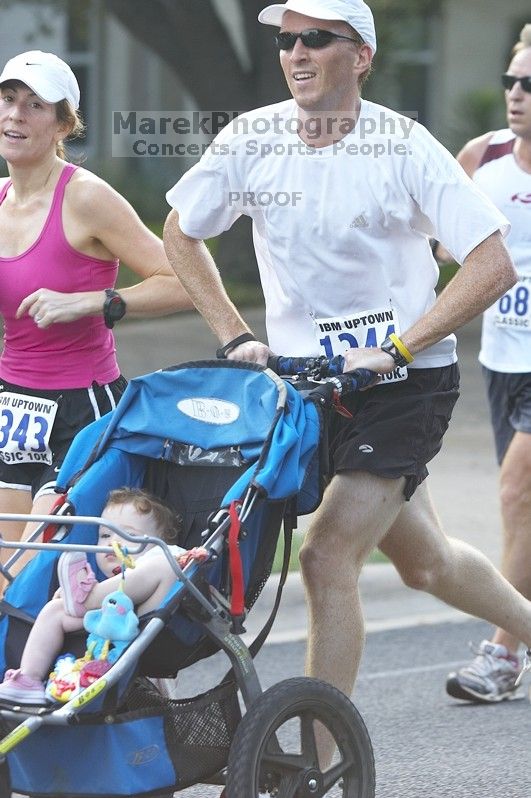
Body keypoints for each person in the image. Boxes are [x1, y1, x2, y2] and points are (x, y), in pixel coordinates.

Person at [163, 0, 531, 759]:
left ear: (359, 55)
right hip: (304, 386)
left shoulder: (405, 147)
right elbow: (180, 231)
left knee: (327, 553)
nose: (295, 53)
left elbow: (489, 265)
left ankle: (319, 766)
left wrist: (396, 348)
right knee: (424, 560)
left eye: (316, 39)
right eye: (285, 40)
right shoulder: (253, 138)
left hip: (404, 383)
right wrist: (233, 332)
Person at [0, 51, 193, 558]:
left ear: (64, 123)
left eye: (35, 105)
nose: (15, 114)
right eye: (8, 98)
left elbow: (181, 280)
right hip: (13, 405)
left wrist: (91, 302)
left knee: (31, 568)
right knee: (3, 575)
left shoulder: (86, 198)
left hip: (81, 408)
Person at [441, 24, 531, 703]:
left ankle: (502, 651)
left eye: (529, 85)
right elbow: (437, 244)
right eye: (510, 81)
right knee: (521, 515)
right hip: (501, 359)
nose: (516, 94)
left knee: (515, 492)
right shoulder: (482, 158)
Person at [0, 487, 205, 705]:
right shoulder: (105, 584)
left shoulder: (160, 556)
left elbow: (174, 561)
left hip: (151, 621)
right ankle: (28, 679)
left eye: (130, 535)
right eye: (105, 535)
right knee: (53, 610)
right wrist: (62, 600)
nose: (112, 543)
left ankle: (84, 598)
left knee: (167, 563)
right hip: (103, 625)